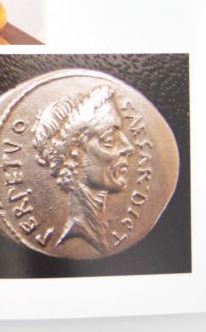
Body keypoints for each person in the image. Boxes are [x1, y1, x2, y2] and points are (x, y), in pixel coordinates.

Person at [29, 83, 135, 255]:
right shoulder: (77, 235)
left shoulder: (101, 229)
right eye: (109, 139)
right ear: (75, 154)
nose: (129, 147)